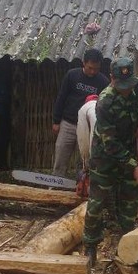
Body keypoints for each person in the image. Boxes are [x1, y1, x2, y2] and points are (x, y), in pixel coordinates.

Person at [83, 57, 138, 264]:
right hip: (105, 156)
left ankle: (128, 237)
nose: (126, 90)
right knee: (97, 200)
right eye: (121, 87)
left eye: (128, 85)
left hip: (130, 147)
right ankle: (90, 244)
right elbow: (109, 143)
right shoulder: (105, 102)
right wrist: (133, 165)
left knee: (130, 195)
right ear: (111, 78)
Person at [51, 48, 109, 177]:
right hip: (68, 123)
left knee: (85, 160)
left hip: (88, 127)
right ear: (84, 63)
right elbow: (61, 97)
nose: (93, 71)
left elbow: (104, 107)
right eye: (90, 68)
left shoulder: (103, 82)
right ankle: (56, 185)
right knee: (61, 155)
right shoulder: (72, 75)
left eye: (96, 69)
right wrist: (56, 121)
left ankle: (82, 186)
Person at [75, 94, 99, 196]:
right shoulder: (105, 106)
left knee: (89, 154)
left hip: (93, 154)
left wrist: (86, 165)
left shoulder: (83, 109)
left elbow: (83, 140)